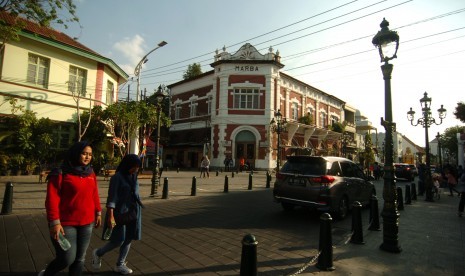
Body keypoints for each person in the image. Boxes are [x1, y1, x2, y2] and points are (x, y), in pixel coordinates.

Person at [39, 141, 102, 276]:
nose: (87, 157)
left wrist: (98, 212)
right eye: (84, 153)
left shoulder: (90, 173)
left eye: (90, 154)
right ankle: (48, 273)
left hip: (87, 222)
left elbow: (94, 193)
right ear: (75, 153)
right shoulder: (60, 173)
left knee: (80, 259)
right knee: (67, 258)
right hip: (66, 224)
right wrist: (54, 222)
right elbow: (51, 199)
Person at [92, 154, 143, 275]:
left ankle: (120, 264)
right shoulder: (117, 178)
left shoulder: (134, 176)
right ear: (127, 165)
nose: (136, 169)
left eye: (137, 167)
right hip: (119, 213)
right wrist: (110, 215)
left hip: (133, 212)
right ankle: (98, 253)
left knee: (129, 238)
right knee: (118, 240)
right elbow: (112, 198)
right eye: (133, 166)